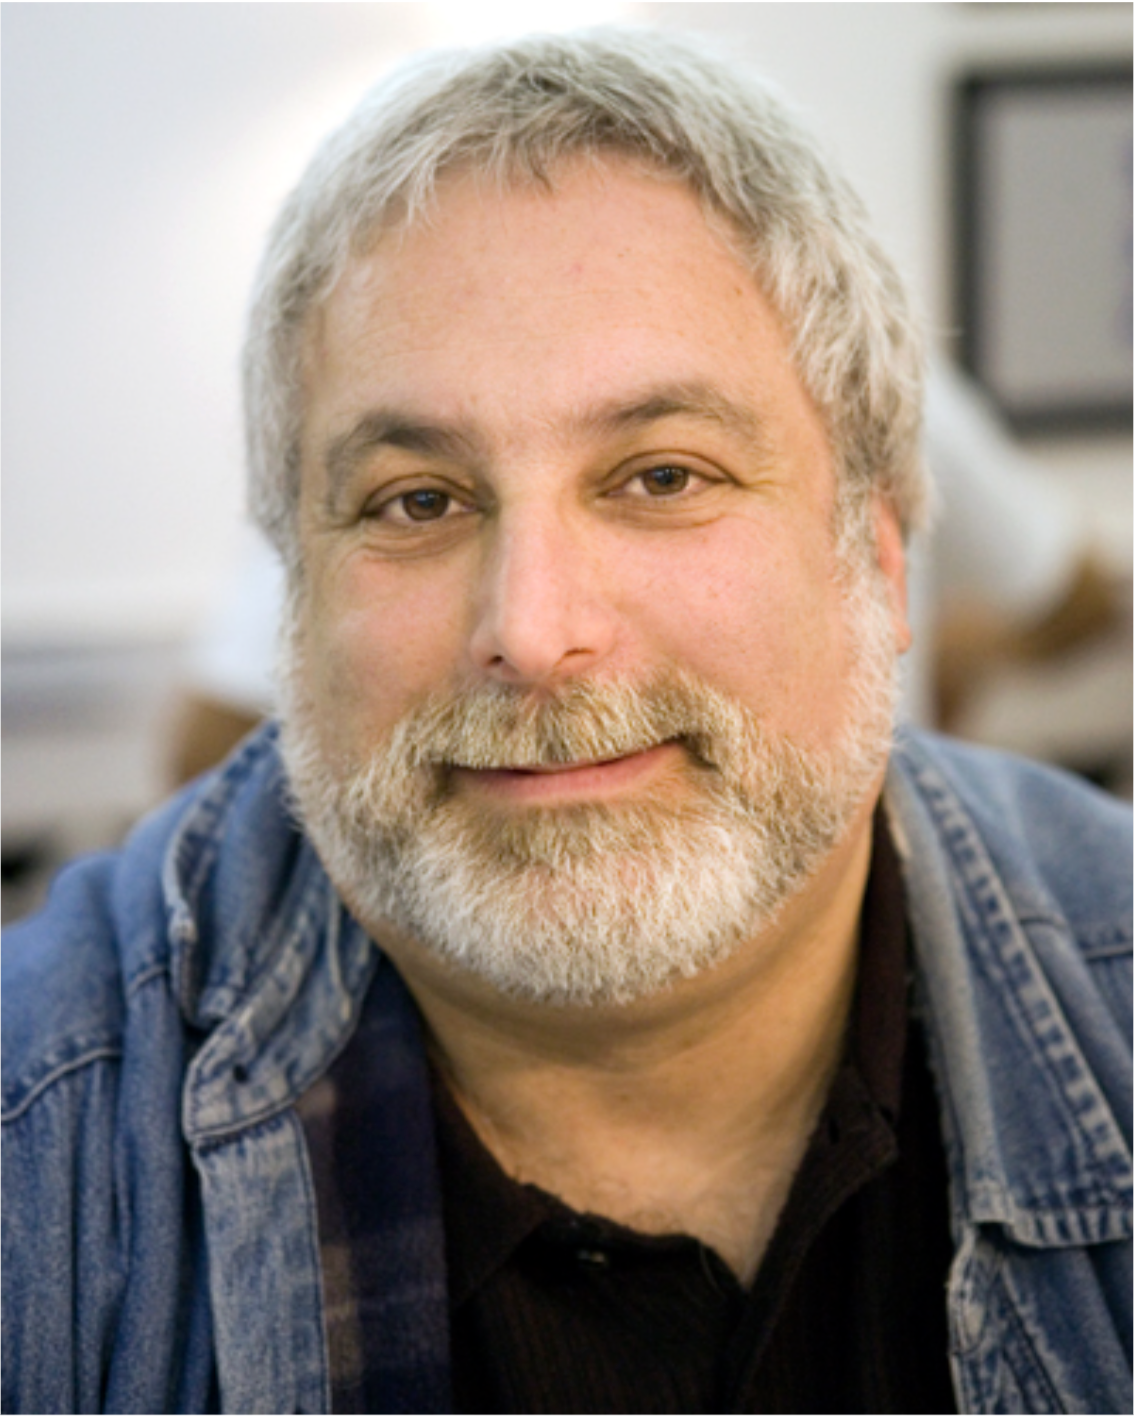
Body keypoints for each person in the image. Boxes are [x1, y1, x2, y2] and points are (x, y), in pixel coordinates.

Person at [3, 30, 1129, 1416]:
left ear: (879, 561)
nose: (530, 633)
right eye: (417, 501)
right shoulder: (38, 1158)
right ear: (296, 596)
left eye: (660, 476)